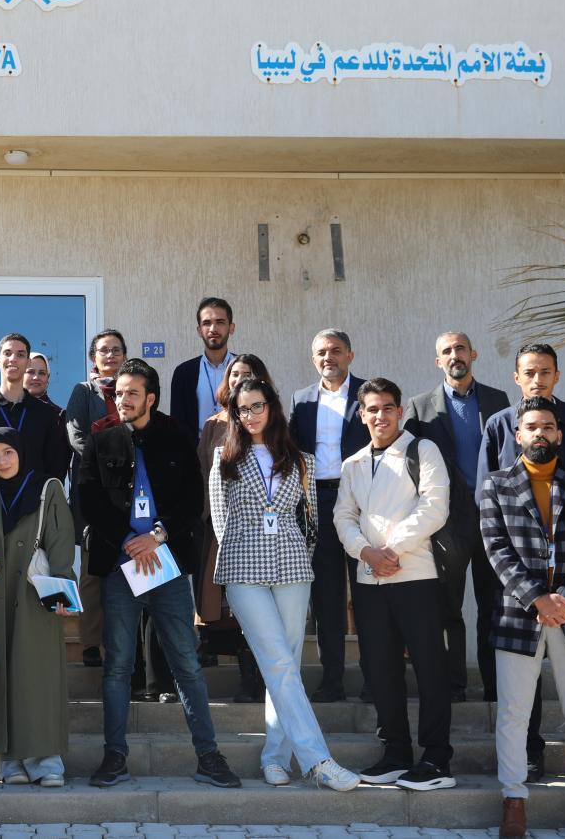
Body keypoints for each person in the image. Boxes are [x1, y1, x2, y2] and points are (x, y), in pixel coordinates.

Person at [77, 358, 241, 790]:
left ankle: (209, 756)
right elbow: (88, 500)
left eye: (132, 393)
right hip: (119, 566)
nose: (122, 400)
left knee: (186, 661)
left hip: (167, 564)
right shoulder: (101, 440)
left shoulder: (176, 437)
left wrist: (157, 536)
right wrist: (129, 543)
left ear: (151, 398)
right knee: (118, 665)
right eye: (118, 393)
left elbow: (192, 498)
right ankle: (115, 756)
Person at [478, 342, 565, 785]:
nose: (537, 379)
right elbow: (487, 502)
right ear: (516, 378)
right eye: (529, 372)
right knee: (520, 689)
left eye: (545, 371)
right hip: (523, 588)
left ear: (557, 375)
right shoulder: (499, 424)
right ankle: (530, 754)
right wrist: (533, 590)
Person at [209, 378, 359, 792]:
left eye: (257, 406)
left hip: (292, 566)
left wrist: (298, 554)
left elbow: (310, 522)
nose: (250, 415)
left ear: (272, 406)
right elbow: (220, 522)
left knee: (286, 665)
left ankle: (274, 758)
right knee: (277, 661)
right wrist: (245, 550)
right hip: (243, 567)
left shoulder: (300, 459)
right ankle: (318, 760)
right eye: (242, 409)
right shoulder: (225, 458)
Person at [334, 378, 455, 791]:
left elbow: (434, 507)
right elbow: (343, 516)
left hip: (416, 575)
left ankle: (436, 759)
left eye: (388, 407)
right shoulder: (352, 464)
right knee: (381, 669)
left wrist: (391, 549)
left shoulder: (423, 450)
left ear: (400, 412)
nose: (380, 415)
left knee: (430, 667)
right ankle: (396, 753)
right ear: (361, 414)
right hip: (370, 579)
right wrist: (365, 553)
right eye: (372, 408)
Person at [0, 428, 76, 787]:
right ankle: (9, 759)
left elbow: (61, 539)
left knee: (37, 675)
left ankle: (46, 759)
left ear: (22, 452)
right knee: (0, 675)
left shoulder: (47, 488)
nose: (2, 462)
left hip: (34, 594)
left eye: (8, 452)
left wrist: (62, 590)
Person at [402, 331, 510, 702]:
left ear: (473, 354)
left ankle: (495, 687)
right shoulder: (420, 407)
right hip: (447, 522)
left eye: (460, 348)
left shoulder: (497, 400)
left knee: (494, 606)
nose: (454, 355)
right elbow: (410, 465)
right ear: (438, 361)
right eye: (446, 351)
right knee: (448, 606)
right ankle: (454, 686)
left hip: (493, 517)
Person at [288, 328, 368, 703]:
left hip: (361, 500)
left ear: (349, 355)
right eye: (321, 352)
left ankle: (375, 679)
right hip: (318, 501)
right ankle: (332, 680)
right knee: (326, 597)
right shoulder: (301, 400)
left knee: (368, 594)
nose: (328, 357)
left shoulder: (368, 393)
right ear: (313, 359)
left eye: (335, 350)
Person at [196, 353, 273, 699]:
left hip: (263, 532)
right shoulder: (214, 425)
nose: (239, 380)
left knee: (259, 606)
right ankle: (246, 678)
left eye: (247, 374)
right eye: (234, 375)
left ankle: (261, 679)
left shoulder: (272, 423)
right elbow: (203, 475)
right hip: (222, 529)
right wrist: (207, 519)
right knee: (228, 607)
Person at [65, 328, 127, 668]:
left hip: (128, 493)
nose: (110, 355)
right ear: (93, 357)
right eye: (104, 350)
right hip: (93, 488)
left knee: (126, 566)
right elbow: (75, 435)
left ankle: (123, 641)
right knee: (92, 570)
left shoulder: (131, 388)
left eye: (116, 350)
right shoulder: (83, 391)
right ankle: (91, 643)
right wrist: (109, 461)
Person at [0, 333, 69, 483]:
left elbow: (54, 470)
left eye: (20, 354)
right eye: (7, 353)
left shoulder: (45, 414)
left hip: (34, 497)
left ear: (28, 362)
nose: (13, 359)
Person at [169, 297, 237, 446]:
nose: (213, 329)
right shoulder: (183, 373)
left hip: (238, 449)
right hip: (197, 452)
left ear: (231, 328)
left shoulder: (245, 368)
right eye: (207, 323)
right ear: (199, 330)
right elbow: (178, 423)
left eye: (220, 322)